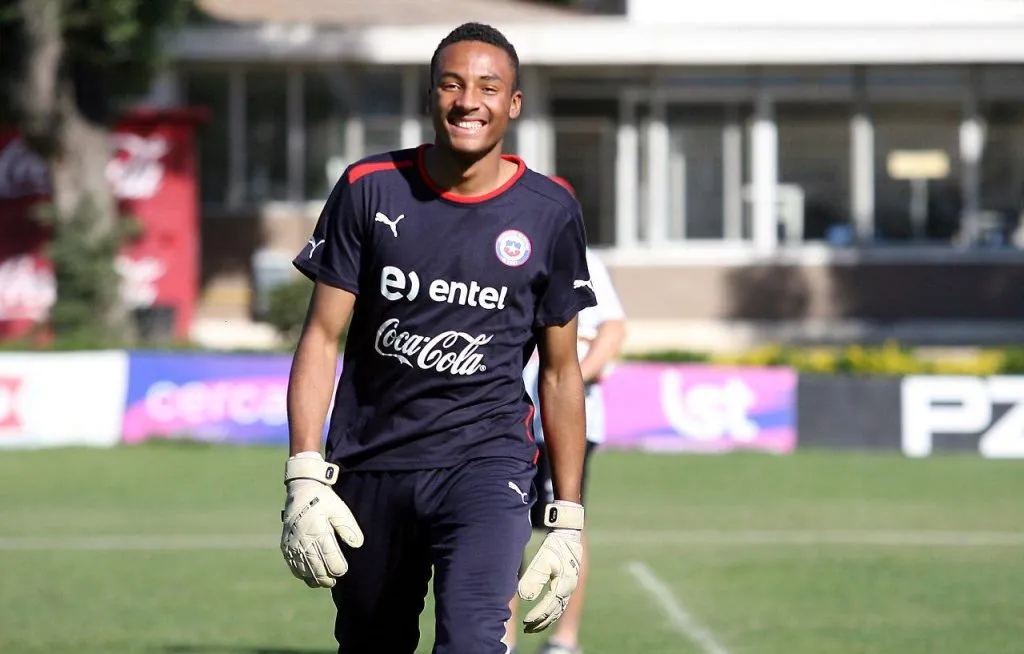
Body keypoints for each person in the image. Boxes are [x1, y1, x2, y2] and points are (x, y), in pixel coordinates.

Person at [279, 22, 597, 654]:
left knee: (474, 639)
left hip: (488, 463)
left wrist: (568, 518)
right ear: (430, 97)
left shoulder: (549, 212)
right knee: (373, 641)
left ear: (513, 104)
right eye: (450, 84)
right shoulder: (368, 187)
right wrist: (304, 472)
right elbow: (320, 337)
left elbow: (562, 372)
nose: (467, 101)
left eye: (488, 86)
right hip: (372, 461)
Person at [505, 176, 628, 654]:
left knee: (564, 526)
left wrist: (579, 377)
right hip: (507, 421)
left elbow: (613, 329)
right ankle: (502, 638)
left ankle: (564, 640)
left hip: (565, 426)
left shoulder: (586, 261)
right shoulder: (507, 250)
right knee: (503, 529)